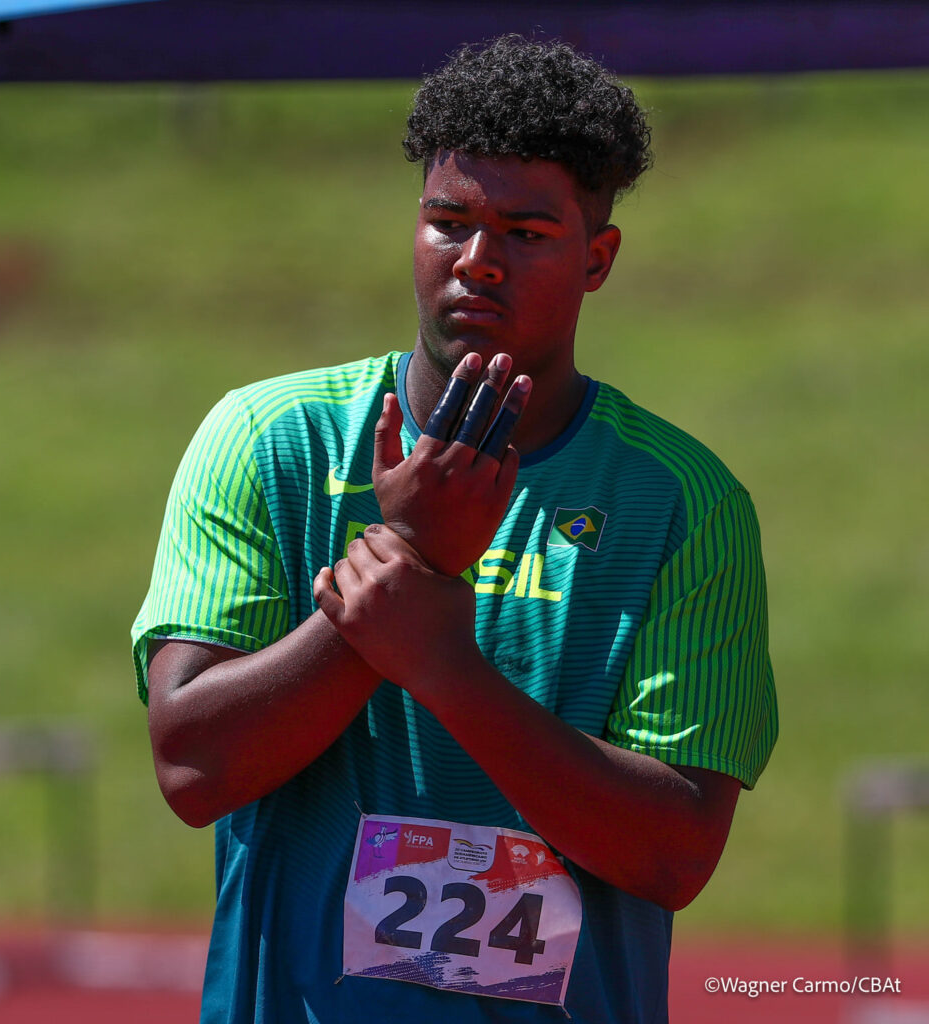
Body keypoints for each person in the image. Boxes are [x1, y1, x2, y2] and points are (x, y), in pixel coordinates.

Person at [132, 34, 777, 1024]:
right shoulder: (270, 441)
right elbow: (191, 767)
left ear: (596, 258)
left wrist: (442, 663)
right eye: (449, 222)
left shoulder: (684, 504)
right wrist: (404, 565)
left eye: (526, 232)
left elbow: (674, 854)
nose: (478, 262)